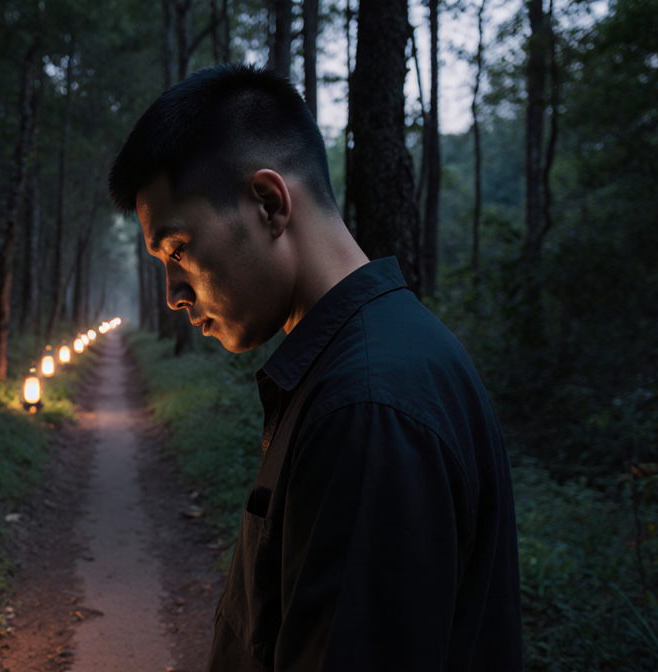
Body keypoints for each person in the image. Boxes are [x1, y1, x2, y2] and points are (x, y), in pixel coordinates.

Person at [107, 63, 522, 671]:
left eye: (178, 249)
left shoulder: (368, 407)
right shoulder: (358, 365)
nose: (173, 292)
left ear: (269, 204)